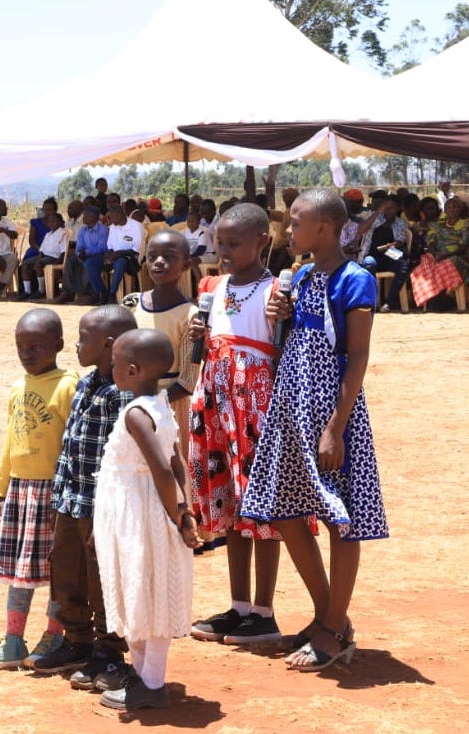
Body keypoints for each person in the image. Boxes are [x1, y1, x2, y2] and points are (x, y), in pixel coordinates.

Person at [241, 188, 387, 672]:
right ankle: (330, 618)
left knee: (340, 517)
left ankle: (331, 626)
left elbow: (358, 355)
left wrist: (336, 428)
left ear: (324, 228)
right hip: (292, 405)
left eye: (296, 223)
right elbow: (289, 345)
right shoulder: (301, 276)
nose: (288, 232)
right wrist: (277, 320)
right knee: (284, 510)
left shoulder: (355, 280)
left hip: (330, 414)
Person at [188, 203, 294, 645]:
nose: (224, 251)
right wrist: (198, 335)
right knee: (230, 506)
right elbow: (207, 350)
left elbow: (284, 351)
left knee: (263, 508)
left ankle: (265, 611)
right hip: (215, 404)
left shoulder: (278, 292)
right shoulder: (212, 286)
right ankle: (239, 607)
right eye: (220, 244)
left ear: (262, 243)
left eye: (234, 244)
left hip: (257, 411)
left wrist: (285, 320)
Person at [93, 329, 201, 711]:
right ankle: (144, 677)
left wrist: (177, 514)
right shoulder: (161, 405)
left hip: (139, 515)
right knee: (148, 592)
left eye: (117, 364)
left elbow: (161, 467)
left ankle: (150, 684)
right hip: (155, 512)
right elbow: (177, 462)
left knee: (141, 592)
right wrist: (184, 512)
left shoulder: (136, 414)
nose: (113, 369)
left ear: (133, 370)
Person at [32, 305, 137, 692]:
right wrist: (59, 494)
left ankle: (108, 652)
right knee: (66, 569)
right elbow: (71, 443)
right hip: (71, 500)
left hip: (102, 507)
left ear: (110, 346)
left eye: (82, 339)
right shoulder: (86, 383)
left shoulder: (122, 396)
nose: (76, 345)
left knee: (102, 578)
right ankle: (76, 640)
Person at [0, 309, 79, 671]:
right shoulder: (18, 387)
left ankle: (55, 635)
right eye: (21, 346)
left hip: (54, 493)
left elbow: (74, 445)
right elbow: (10, 442)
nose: (27, 353)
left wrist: (65, 495)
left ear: (58, 346)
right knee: (20, 571)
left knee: (59, 570)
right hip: (21, 491)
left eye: (36, 346)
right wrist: (2, 489)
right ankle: (13, 640)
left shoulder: (68, 385)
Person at [123, 231, 198, 461]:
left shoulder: (190, 316)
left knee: (170, 466)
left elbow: (188, 381)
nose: (158, 262)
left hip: (170, 405)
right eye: (152, 256)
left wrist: (152, 401)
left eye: (168, 256)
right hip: (130, 400)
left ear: (186, 265)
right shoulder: (131, 304)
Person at [409, 196, 469, 308]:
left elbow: (463, 246)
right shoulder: (437, 226)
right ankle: (432, 296)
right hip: (438, 256)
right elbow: (430, 242)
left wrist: (446, 254)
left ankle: (444, 296)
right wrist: (435, 253)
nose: (452, 209)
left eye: (455, 207)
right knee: (424, 265)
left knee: (449, 262)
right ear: (445, 210)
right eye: (449, 207)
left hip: (458, 258)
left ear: (460, 209)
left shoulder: (466, 224)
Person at [358, 194, 410, 313]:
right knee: (369, 264)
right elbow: (361, 230)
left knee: (402, 265)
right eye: (386, 208)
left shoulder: (400, 223)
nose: (388, 211)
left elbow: (401, 240)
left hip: (390, 253)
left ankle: (388, 303)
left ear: (397, 208)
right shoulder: (375, 217)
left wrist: (396, 244)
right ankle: (374, 302)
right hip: (371, 254)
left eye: (391, 208)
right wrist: (378, 212)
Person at [101, 204, 145, 304]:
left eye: (112, 217)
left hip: (132, 259)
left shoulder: (136, 226)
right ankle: (100, 293)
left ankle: (112, 294)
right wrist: (108, 255)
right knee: (93, 262)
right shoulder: (112, 227)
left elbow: (137, 250)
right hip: (115, 257)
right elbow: (110, 246)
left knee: (120, 262)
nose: (111, 220)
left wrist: (119, 253)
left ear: (121, 215)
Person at [17, 212, 66, 301]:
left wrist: (59, 262)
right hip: (45, 256)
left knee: (38, 264)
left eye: (54, 221)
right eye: (49, 221)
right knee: (25, 264)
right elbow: (42, 250)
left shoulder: (62, 233)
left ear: (60, 222)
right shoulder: (48, 234)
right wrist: (39, 258)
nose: (51, 223)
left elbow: (64, 251)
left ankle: (41, 290)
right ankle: (27, 291)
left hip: (55, 258)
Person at [76, 206, 110, 305]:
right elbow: (79, 247)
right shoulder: (82, 230)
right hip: (84, 256)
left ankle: (101, 292)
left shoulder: (104, 230)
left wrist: (86, 253)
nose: (83, 218)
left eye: (85, 215)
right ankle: (77, 293)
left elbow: (102, 247)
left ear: (93, 217)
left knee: (89, 264)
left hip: (100, 257)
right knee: (72, 262)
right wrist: (79, 253)